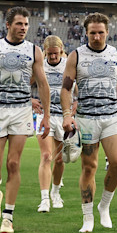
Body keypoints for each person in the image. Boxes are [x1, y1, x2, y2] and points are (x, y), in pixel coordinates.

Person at [0, 6, 51, 233]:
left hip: (21, 111)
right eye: (19, 24)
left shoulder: (34, 51)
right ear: (8, 25)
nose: (23, 28)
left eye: (26, 24)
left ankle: (8, 217)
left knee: (13, 164)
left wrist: (46, 116)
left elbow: (42, 83)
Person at [61, 12, 117, 233]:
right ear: (86, 33)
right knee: (89, 167)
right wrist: (67, 114)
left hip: (111, 117)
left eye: (100, 32)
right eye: (92, 33)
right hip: (86, 119)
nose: (96, 37)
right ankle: (87, 217)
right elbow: (66, 88)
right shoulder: (75, 56)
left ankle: (104, 206)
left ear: (107, 32)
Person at [35, 35, 74, 213]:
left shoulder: (68, 64)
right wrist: (30, 100)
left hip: (63, 117)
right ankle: (44, 199)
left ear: (61, 50)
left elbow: (79, 91)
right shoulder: (40, 64)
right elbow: (22, 84)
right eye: (49, 54)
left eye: (55, 54)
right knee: (46, 157)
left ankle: (55, 192)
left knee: (59, 159)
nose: (52, 57)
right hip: (45, 116)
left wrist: (72, 112)